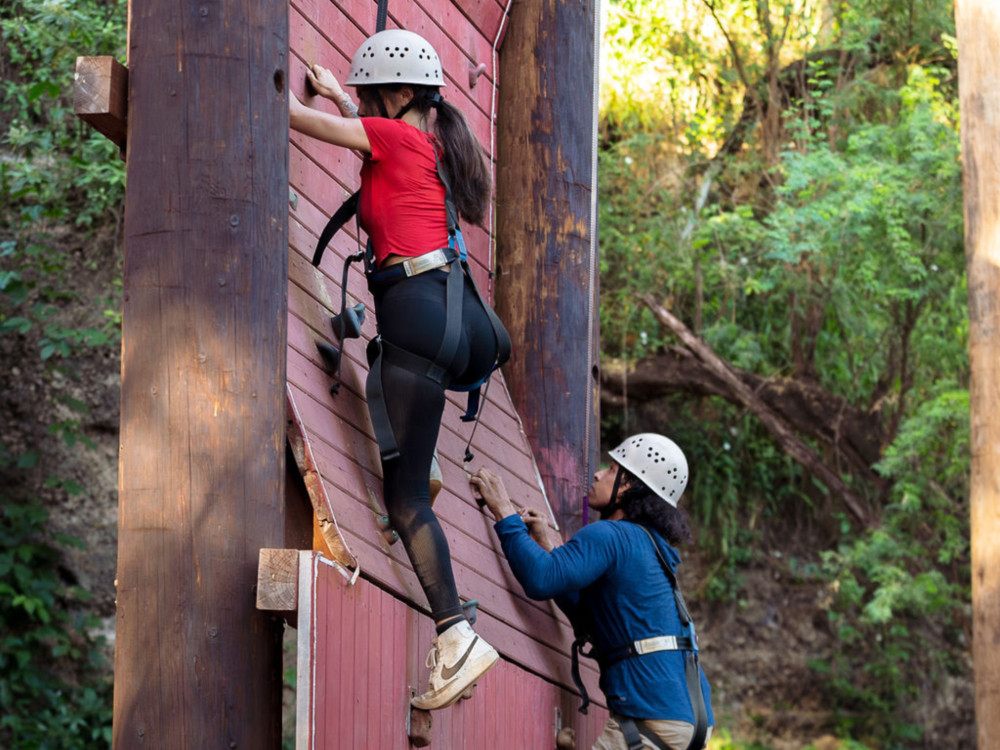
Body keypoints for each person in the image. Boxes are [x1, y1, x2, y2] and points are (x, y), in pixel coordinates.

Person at [289, 29, 504, 710]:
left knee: (404, 497)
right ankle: (420, 457)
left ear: (401, 95)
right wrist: (338, 96)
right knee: (412, 465)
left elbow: (312, 126)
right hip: (452, 322)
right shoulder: (425, 143)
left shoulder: (395, 136)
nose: (364, 108)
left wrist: (277, 97)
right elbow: (361, 133)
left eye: (372, 97)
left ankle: (455, 635)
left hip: (413, 312)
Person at [471, 433, 715, 750]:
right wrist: (548, 546)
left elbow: (541, 579)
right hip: (692, 721)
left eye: (612, 469)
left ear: (630, 486)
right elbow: (588, 615)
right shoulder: (649, 547)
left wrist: (503, 510)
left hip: (653, 718)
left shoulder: (610, 535)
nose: (598, 474)